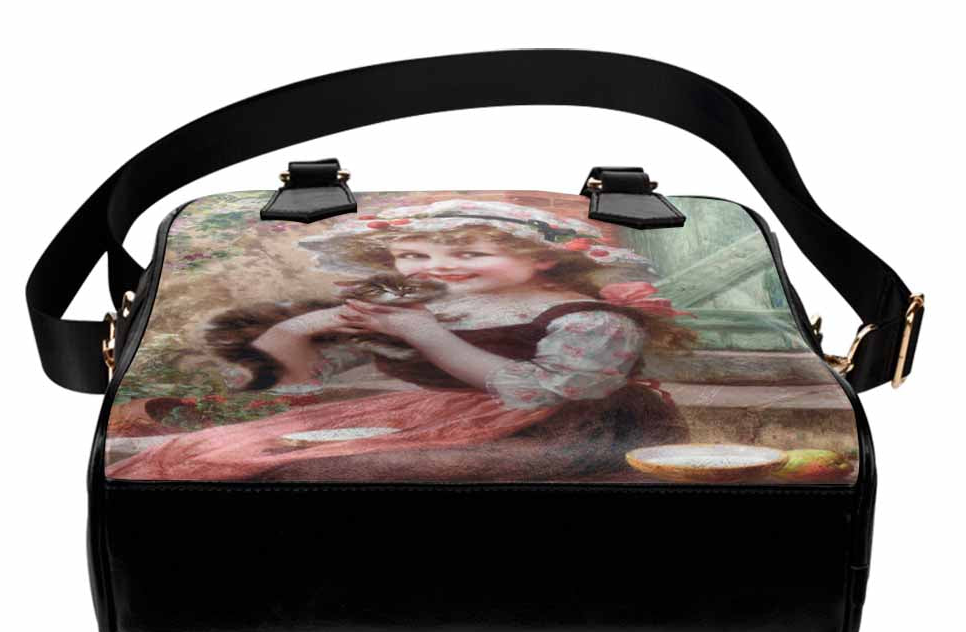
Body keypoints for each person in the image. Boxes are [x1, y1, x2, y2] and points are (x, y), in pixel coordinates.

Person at [108, 199, 695, 482]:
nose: (437, 268)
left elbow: (542, 393)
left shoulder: (589, 319)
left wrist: (425, 335)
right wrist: (296, 331)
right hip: (429, 415)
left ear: (543, 260)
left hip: (563, 426)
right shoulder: (430, 306)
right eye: (414, 255)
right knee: (217, 449)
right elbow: (309, 374)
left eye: (470, 253)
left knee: (314, 470)